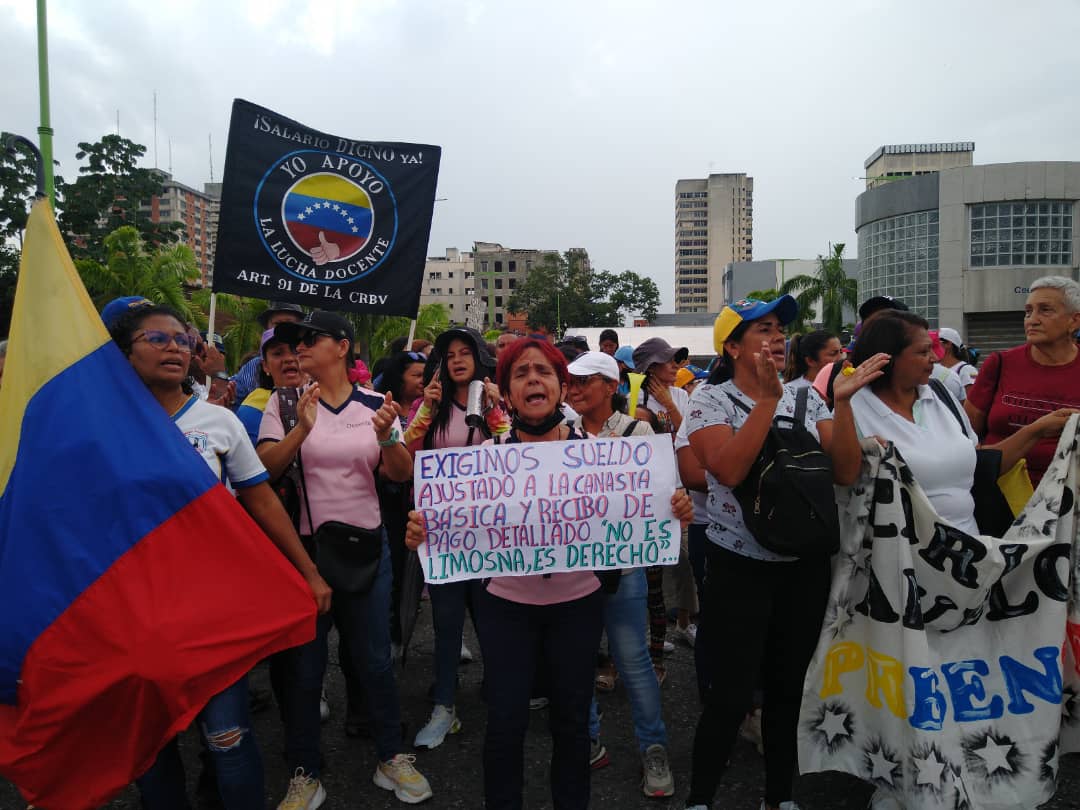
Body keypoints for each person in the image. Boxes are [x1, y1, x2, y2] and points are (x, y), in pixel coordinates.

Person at [406, 338, 690, 810]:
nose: (532, 379)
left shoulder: (604, 457)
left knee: (573, 722)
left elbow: (643, 510)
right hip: (505, 609)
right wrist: (422, 530)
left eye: (543, 371)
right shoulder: (482, 459)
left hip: (577, 608)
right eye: (520, 373)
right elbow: (448, 523)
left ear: (561, 388)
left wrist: (672, 507)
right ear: (507, 393)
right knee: (505, 721)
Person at [107, 302, 330, 810]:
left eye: (182, 340)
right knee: (153, 747)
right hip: (136, 612)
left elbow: (261, 498)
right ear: (124, 353)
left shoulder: (220, 423)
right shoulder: (105, 428)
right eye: (156, 339)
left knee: (227, 737)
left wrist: (309, 572)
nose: (174, 348)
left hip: (211, 609)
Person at [683, 296, 885, 810]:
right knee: (729, 695)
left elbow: (844, 471)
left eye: (781, 330)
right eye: (762, 329)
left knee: (786, 690)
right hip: (738, 566)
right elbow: (726, 471)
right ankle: (700, 797)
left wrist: (840, 405)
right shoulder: (711, 401)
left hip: (803, 565)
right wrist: (767, 402)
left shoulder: (809, 398)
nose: (777, 338)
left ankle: (779, 797)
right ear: (731, 346)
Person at [257, 311, 432, 808]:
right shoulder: (285, 403)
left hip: (367, 547)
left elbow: (399, 473)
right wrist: (300, 430)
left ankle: (390, 757)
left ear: (342, 346)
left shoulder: (379, 404)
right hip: (307, 553)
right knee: (305, 669)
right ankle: (305, 771)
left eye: (310, 340)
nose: (299, 349)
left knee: (374, 660)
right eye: (295, 343)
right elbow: (263, 470)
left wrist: (385, 435)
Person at [565, 350, 686, 798]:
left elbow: (666, 490)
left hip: (624, 568)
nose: (574, 389)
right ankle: (589, 737)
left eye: (584, 382)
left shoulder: (640, 432)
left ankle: (653, 747)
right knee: (577, 661)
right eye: (571, 382)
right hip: (573, 569)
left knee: (634, 662)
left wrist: (679, 505)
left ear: (612, 386)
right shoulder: (559, 435)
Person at [853, 310, 1077, 534]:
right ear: (887, 357)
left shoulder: (940, 395)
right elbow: (845, 478)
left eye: (933, 348)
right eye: (923, 351)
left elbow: (979, 461)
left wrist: (1036, 430)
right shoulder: (855, 409)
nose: (935, 357)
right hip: (899, 555)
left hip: (966, 552)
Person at [404, 327, 508, 750]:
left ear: (480, 358)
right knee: (446, 624)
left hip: (489, 534)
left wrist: (500, 413)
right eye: (450, 356)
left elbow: (513, 455)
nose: (458, 360)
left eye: (466, 353)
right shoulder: (429, 406)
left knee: (493, 619)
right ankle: (444, 706)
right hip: (444, 537)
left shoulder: (496, 403)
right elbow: (404, 456)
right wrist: (425, 411)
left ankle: (501, 693)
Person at [965, 276, 1080, 485]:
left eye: (1045, 310)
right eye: (1028, 311)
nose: (1032, 319)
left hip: (1067, 502)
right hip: (999, 497)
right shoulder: (1000, 363)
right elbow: (964, 440)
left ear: (1074, 320)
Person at [632, 337, 692, 683]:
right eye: (666, 360)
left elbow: (691, 437)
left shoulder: (681, 395)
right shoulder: (631, 397)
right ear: (649, 368)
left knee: (657, 585)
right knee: (627, 585)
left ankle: (656, 653)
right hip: (638, 501)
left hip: (671, 498)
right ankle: (620, 656)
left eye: (675, 359)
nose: (674, 365)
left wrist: (669, 403)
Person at [375, 350, 429, 661]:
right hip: (395, 500)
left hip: (429, 499)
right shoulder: (386, 410)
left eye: (426, 374)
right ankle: (396, 634)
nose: (423, 381)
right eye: (416, 375)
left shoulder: (432, 408)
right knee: (398, 569)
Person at [236, 328, 307, 445]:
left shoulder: (325, 396)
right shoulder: (252, 409)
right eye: (278, 353)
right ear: (265, 366)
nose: (289, 359)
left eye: (295, 351)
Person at [232, 302, 305, 406]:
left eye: (290, 324)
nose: (289, 359)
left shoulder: (318, 368)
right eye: (278, 324)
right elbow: (232, 398)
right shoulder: (251, 368)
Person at [937, 326, 977, 394]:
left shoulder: (968, 370)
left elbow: (972, 400)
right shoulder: (933, 368)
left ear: (948, 344)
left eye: (935, 341)